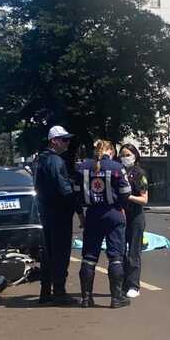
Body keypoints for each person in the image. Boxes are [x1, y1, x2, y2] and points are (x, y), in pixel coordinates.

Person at [76, 140, 132, 308]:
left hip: (92, 214)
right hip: (113, 214)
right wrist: (121, 207)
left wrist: (81, 214)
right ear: (109, 150)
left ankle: (86, 298)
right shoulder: (116, 167)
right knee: (115, 256)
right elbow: (125, 192)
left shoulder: (82, 167)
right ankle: (116, 298)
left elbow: (76, 193)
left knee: (89, 257)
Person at [33, 125, 77, 305]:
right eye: (64, 139)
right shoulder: (56, 161)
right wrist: (78, 208)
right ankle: (59, 292)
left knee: (48, 252)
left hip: (46, 212)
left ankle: (45, 291)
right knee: (60, 252)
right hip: (60, 213)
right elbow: (64, 189)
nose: (67, 142)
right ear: (54, 141)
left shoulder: (39, 160)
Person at [119, 143, 148, 298]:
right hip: (121, 217)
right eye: (122, 155)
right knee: (120, 251)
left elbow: (144, 199)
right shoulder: (118, 172)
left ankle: (134, 285)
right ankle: (123, 284)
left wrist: (128, 197)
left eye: (128, 155)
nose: (125, 158)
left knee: (133, 253)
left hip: (135, 217)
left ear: (135, 156)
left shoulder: (139, 174)